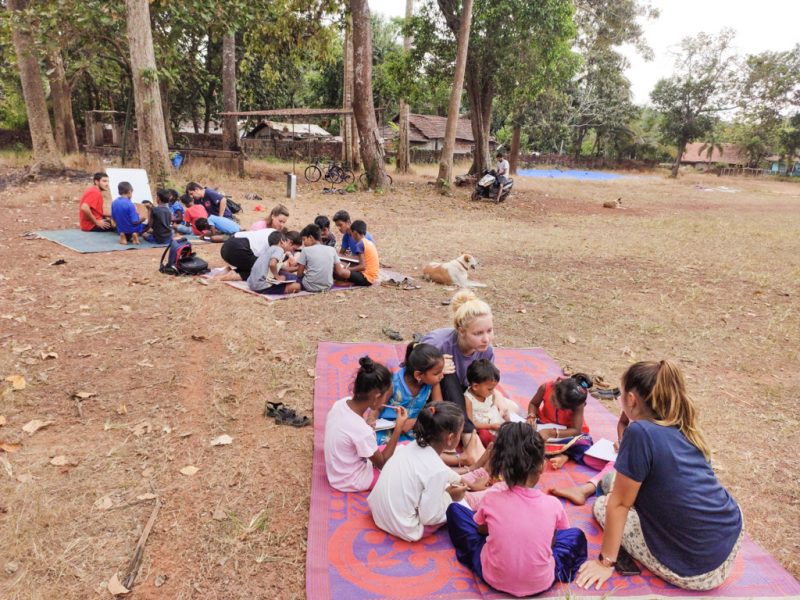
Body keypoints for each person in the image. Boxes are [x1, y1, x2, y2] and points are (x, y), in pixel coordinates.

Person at [576, 360, 743, 592]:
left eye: (621, 395)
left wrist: (605, 562)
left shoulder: (639, 432)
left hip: (696, 570)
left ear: (632, 400)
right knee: (618, 485)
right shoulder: (684, 424)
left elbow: (621, 504)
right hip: (728, 537)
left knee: (604, 505)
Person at [447, 422, 587, 597]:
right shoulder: (553, 505)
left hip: (492, 576)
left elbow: (482, 530)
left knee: (455, 510)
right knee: (575, 536)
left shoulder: (491, 499)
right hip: (541, 582)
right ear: (541, 466)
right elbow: (551, 544)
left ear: (501, 467)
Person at [368, 402, 467, 542]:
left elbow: (436, 469)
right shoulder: (437, 470)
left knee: (433, 485)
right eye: (460, 433)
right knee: (457, 508)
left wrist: (455, 478)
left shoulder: (411, 445)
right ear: (451, 438)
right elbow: (429, 517)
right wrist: (449, 497)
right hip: (403, 526)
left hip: (378, 512)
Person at [420, 289, 494, 467]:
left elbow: (480, 384)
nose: (486, 339)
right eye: (478, 333)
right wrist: (436, 368)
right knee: (446, 367)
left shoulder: (487, 351)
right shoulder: (438, 343)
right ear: (461, 331)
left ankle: (470, 437)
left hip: (461, 398)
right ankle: (470, 439)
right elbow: (413, 372)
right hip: (430, 391)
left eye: (489, 331)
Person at [324, 356, 409, 492]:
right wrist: (398, 427)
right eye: (385, 396)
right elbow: (382, 463)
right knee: (404, 476)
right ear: (376, 397)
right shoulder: (362, 430)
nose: (385, 400)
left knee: (405, 449)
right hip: (350, 480)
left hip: (338, 472)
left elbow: (352, 432)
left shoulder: (340, 404)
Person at [548, 412, 630, 506]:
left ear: (631, 398)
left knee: (620, 463)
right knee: (588, 456)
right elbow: (623, 423)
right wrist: (622, 441)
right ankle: (568, 455)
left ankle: (586, 489)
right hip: (622, 454)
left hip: (635, 463)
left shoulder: (644, 428)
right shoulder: (631, 405)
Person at [371, 342, 445, 445]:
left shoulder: (433, 383)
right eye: (437, 373)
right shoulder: (393, 384)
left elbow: (439, 409)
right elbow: (377, 407)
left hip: (414, 428)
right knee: (377, 444)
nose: (442, 376)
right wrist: (370, 422)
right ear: (418, 374)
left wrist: (415, 421)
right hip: (389, 430)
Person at [526, 373, 593, 469]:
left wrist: (552, 433)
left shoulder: (578, 403)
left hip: (566, 432)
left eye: (561, 407)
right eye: (553, 399)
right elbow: (533, 404)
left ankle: (565, 456)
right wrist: (531, 417)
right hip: (543, 423)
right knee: (523, 434)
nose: (554, 405)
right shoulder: (545, 387)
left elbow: (576, 430)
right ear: (556, 387)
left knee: (584, 444)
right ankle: (562, 453)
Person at [285, 223, 350, 294]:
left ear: (310, 238)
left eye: (304, 239)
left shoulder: (306, 250)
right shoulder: (332, 249)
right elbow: (339, 271)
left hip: (309, 286)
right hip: (328, 286)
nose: (304, 243)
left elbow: (299, 274)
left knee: (290, 276)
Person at [464, 359, 513, 448]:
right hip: (484, 427)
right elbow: (471, 423)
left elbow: (492, 408)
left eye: (493, 388)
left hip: (495, 424)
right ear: (475, 386)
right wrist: (490, 426)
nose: (492, 391)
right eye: (490, 389)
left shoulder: (489, 394)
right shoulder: (468, 400)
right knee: (484, 435)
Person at [341, 220, 379, 287]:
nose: (351, 236)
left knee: (340, 272)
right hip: (373, 277)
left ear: (355, 233)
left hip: (366, 278)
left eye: (351, 233)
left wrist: (348, 269)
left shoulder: (359, 244)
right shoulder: (367, 242)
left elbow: (362, 266)